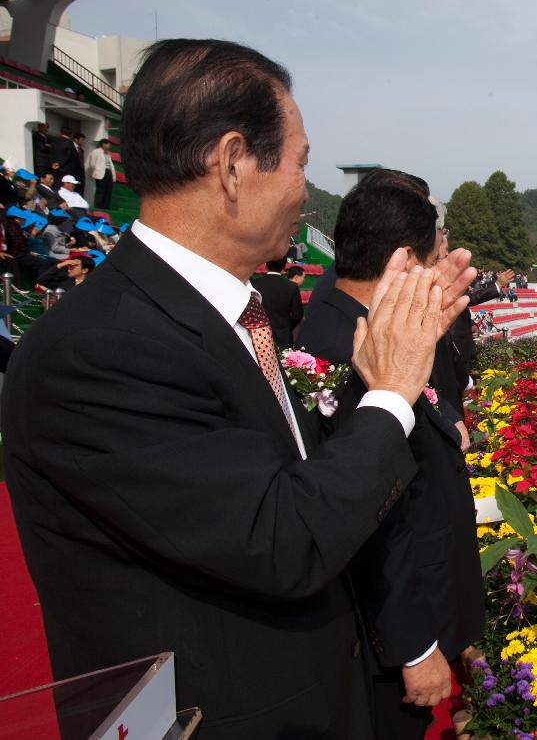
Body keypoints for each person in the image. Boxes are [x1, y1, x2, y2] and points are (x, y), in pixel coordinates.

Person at [0, 39, 476, 740]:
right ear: (230, 164)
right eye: (298, 161)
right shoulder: (99, 350)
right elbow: (282, 537)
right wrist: (391, 391)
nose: (304, 190)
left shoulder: (231, 316)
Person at [296, 170, 483, 738]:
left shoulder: (369, 324)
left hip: (427, 597)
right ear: (404, 261)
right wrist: (413, 645)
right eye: (434, 256)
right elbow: (366, 517)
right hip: (395, 633)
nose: (440, 269)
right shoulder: (342, 347)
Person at [251, 255, 304, 347]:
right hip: (283, 336)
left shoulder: (255, 284)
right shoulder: (291, 286)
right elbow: (297, 314)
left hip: (259, 335)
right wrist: (286, 326)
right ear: (284, 266)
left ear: (266, 265)